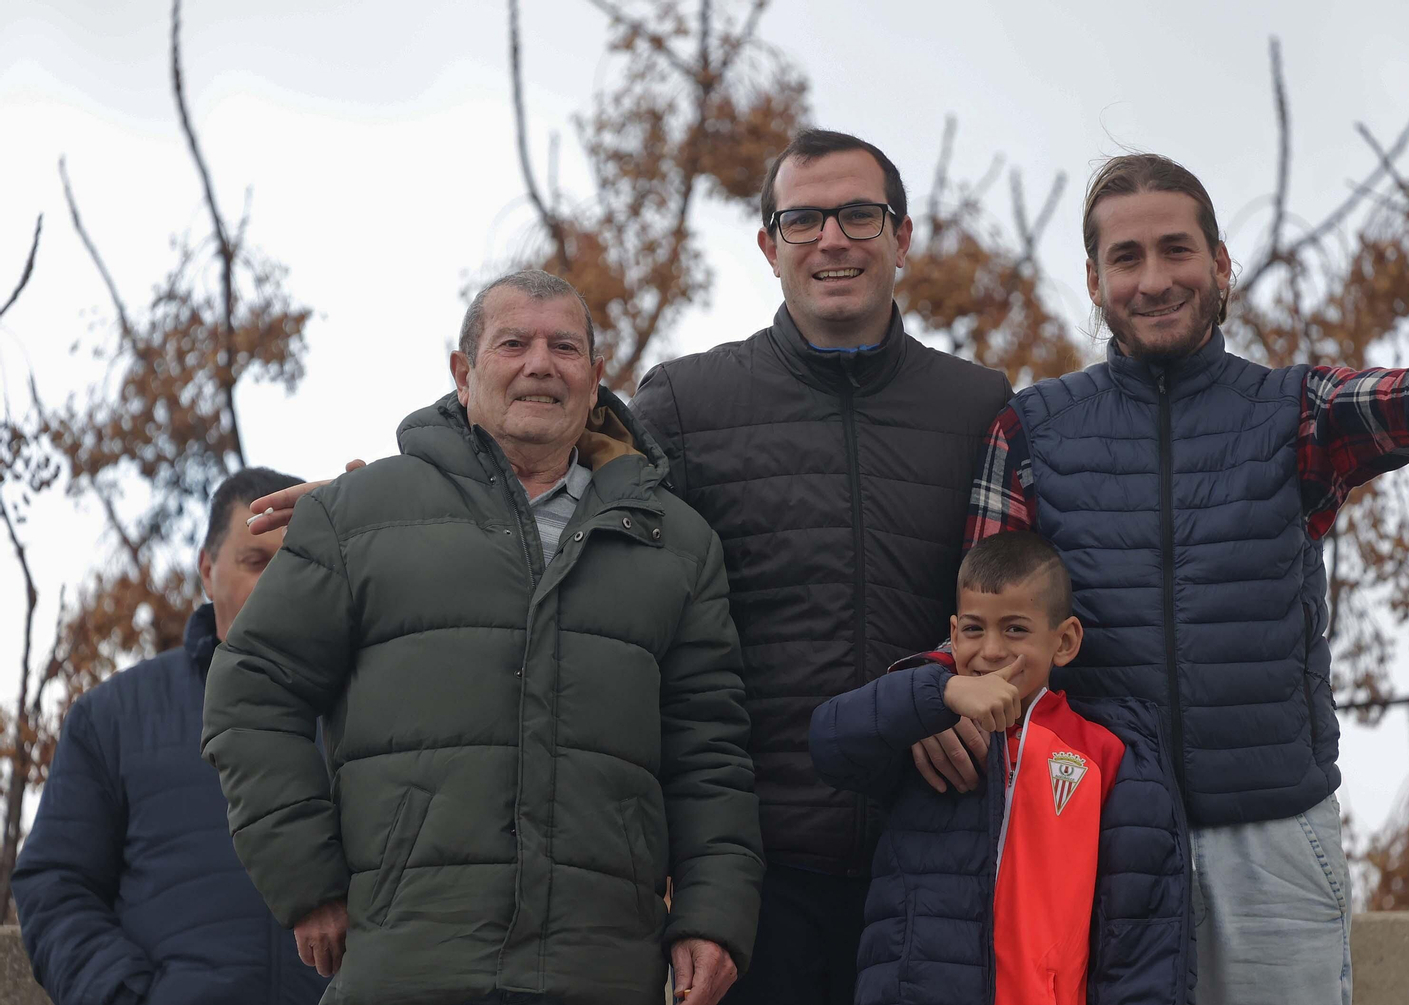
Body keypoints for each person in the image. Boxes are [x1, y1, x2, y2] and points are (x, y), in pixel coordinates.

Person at [922, 153, 1409, 1005]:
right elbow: (979, 635)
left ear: (1220, 265)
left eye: (1177, 250)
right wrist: (928, 701)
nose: (1154, 279)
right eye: (1126, 258)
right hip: (1095, 829)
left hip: (1276, 836)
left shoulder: (1294, 410)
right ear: (1095, 280)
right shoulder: (1033, 428)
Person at [201, 270, 763, 1005]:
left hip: (600, 970)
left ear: (595, 381)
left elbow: (710, 748)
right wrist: (306, 880)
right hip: (407, 965)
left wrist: (713, 915)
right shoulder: (359, 514)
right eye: (513, 343)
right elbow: (250, 693)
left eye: (565, 346)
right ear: (464, 375)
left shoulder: (677, 544)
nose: (540, 363)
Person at [626, 128, 1014, 1005]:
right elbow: (590, 557)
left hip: (936, 861)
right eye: (802, 220)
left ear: (902, 237)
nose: (831, 239)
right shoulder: (686, 404)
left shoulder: (979, 404)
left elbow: (1019, 599)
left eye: (857, 215)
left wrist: (956, 689)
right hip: (753, 876)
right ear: (769, 246)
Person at [810, 531, 1189, 1005]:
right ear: (951, 634)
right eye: (973, 629)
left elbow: (1137, 930)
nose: (990, 650)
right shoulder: (926, 733)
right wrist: (938, 694)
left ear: (1065, 640)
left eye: (1015, 629)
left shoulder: (1106, 753)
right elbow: (827, 741)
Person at [12, 467, 328, 1005]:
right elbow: (56, 886)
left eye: (297, 563)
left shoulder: (367, 711)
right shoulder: (111, 719)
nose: (279, 583)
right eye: (256, 562)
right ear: (207, 571)